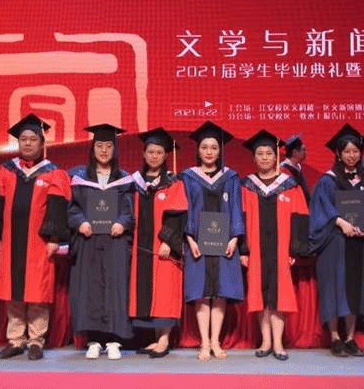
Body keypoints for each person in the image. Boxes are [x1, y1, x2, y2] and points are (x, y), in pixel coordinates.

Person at [0, 114, 71, 361]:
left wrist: (55, 238)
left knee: (37, 291)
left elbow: (57, 208)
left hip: (39, 242)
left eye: (32, 139)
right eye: (23, 139)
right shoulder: (6, 171)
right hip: (11, 239)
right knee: (12, 290)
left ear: (42, 143)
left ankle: (36, 340)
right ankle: (16, 340)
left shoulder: (53, 173)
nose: (27, 143)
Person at [238, 130, 309, 361]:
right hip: (256, 249)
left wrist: (293, 248)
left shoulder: (289, 185)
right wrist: (244, 250)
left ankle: (278, 342)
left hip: (281, 250)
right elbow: (241, 219)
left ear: (276, 157)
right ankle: (265, 341)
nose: (265, 157)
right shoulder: (246, 186)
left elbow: (300, 217)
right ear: (253, 158)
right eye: (260, 153)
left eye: (269, 153)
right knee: (259, 294)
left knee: (280, 294)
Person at [67, 124, 135, 360]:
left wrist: (123, 223)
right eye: (99, 146)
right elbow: (72, 207)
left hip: (115, 241)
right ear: (92, 148)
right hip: (89, 241)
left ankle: (114, 341)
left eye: (108, 146)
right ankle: (94, 340)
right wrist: (80, 222)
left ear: (115, 150)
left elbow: (130, 209)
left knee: (115, 288)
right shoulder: (80, 178)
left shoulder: (124, 179)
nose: (104, 150)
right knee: (91, 288)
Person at [180, 121, 245, 361]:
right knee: (202, 292)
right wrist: (189, 238)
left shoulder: (231, 177)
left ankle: (215, 341)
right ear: (198, 150)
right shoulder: (188, 177)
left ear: (220, 151)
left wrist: (235, 238)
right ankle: (204, 343)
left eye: (214, 148)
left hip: (225, 242)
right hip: (197, 242)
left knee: (220, 292)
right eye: (205, 147)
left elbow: (236, 207)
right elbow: (185, 208)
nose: (209, 152)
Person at [309, 124, 364, 358]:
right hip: (334, 241)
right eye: (347, 151)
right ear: (338, 153)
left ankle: (350, 337)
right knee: (333, 287)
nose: (351, 155)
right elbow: (320, 208)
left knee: (354, 287)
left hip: (358, 242)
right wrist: (339, 222)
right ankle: (335, 337)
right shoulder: (328, 180)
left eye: (355, 151)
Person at [129, 127, 188, 358]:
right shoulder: (135, 183)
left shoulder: (173, 183)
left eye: (159, 152)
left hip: (162, 248)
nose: (154, 156)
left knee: (165, 292)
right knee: (147, 293)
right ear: (144, 154)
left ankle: (164, 340)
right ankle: (156, 338)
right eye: (151, 152)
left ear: (165, 156)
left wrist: (168, 241)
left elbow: (177, 215)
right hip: (141, 250)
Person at [280, 134, 311, 204]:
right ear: (295, 152)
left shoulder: (297, 168)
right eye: (303, 150)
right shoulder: (283, 171)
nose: (306, 153)